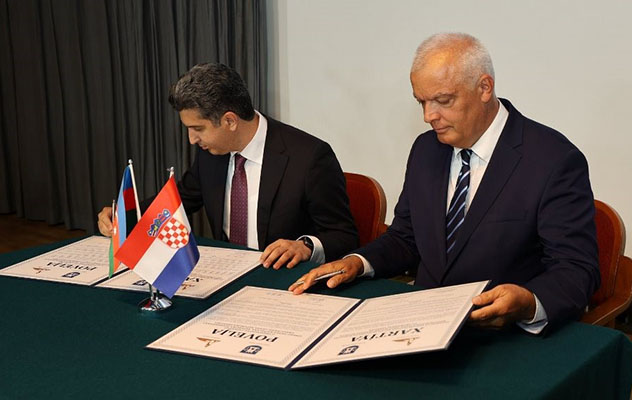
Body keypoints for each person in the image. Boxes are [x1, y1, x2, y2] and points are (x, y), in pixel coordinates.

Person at [289, 33, 600, 334]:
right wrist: (358, 262)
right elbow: (407, 237)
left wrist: (528, 303)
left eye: (442, 100)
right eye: (421, 102)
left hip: (502, 334)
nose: (428, 116)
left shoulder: (552, 160)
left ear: (484, 87)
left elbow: (575, 269)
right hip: (421, 324)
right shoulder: (427, 149)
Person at [98, 63, 358, 268]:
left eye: (198, 129)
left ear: (230, 121)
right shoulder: (211, 154)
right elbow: (177, 202)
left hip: (283, 283)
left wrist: (305, 246)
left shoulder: (309, 158)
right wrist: (125, 215)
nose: (192, 140)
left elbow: (343, 235)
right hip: (226, 276)